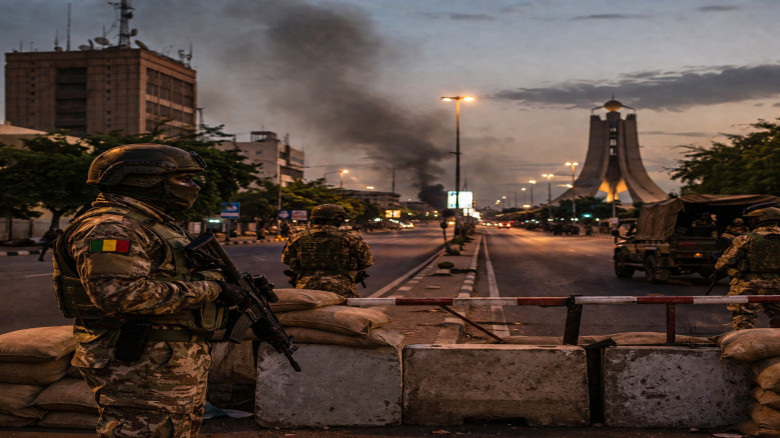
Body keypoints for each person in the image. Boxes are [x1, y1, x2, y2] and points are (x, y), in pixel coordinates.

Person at [52, 144, 248, 437]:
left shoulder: (153, 224)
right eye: (183, 179)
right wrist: (212, 289)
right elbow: (120, 296)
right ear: (144, 178)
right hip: (139, 363)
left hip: (165, 360)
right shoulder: (112, 228)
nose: (192, 187)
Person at [281, 204, 374, 298]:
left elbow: (286, 260)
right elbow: (367, 262)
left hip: (306, 289)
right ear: (336, 218)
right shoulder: (350, 238)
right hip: (342, 289)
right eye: (340, 217)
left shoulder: (297, 237)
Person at [715, 206, 780, 330]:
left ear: (760, 220)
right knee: (778, 318)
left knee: (744, 319)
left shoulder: (745, 238)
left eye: (752, 219)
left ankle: (746, 345)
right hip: (777, 286)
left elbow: (723, 264)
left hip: (748, 285)